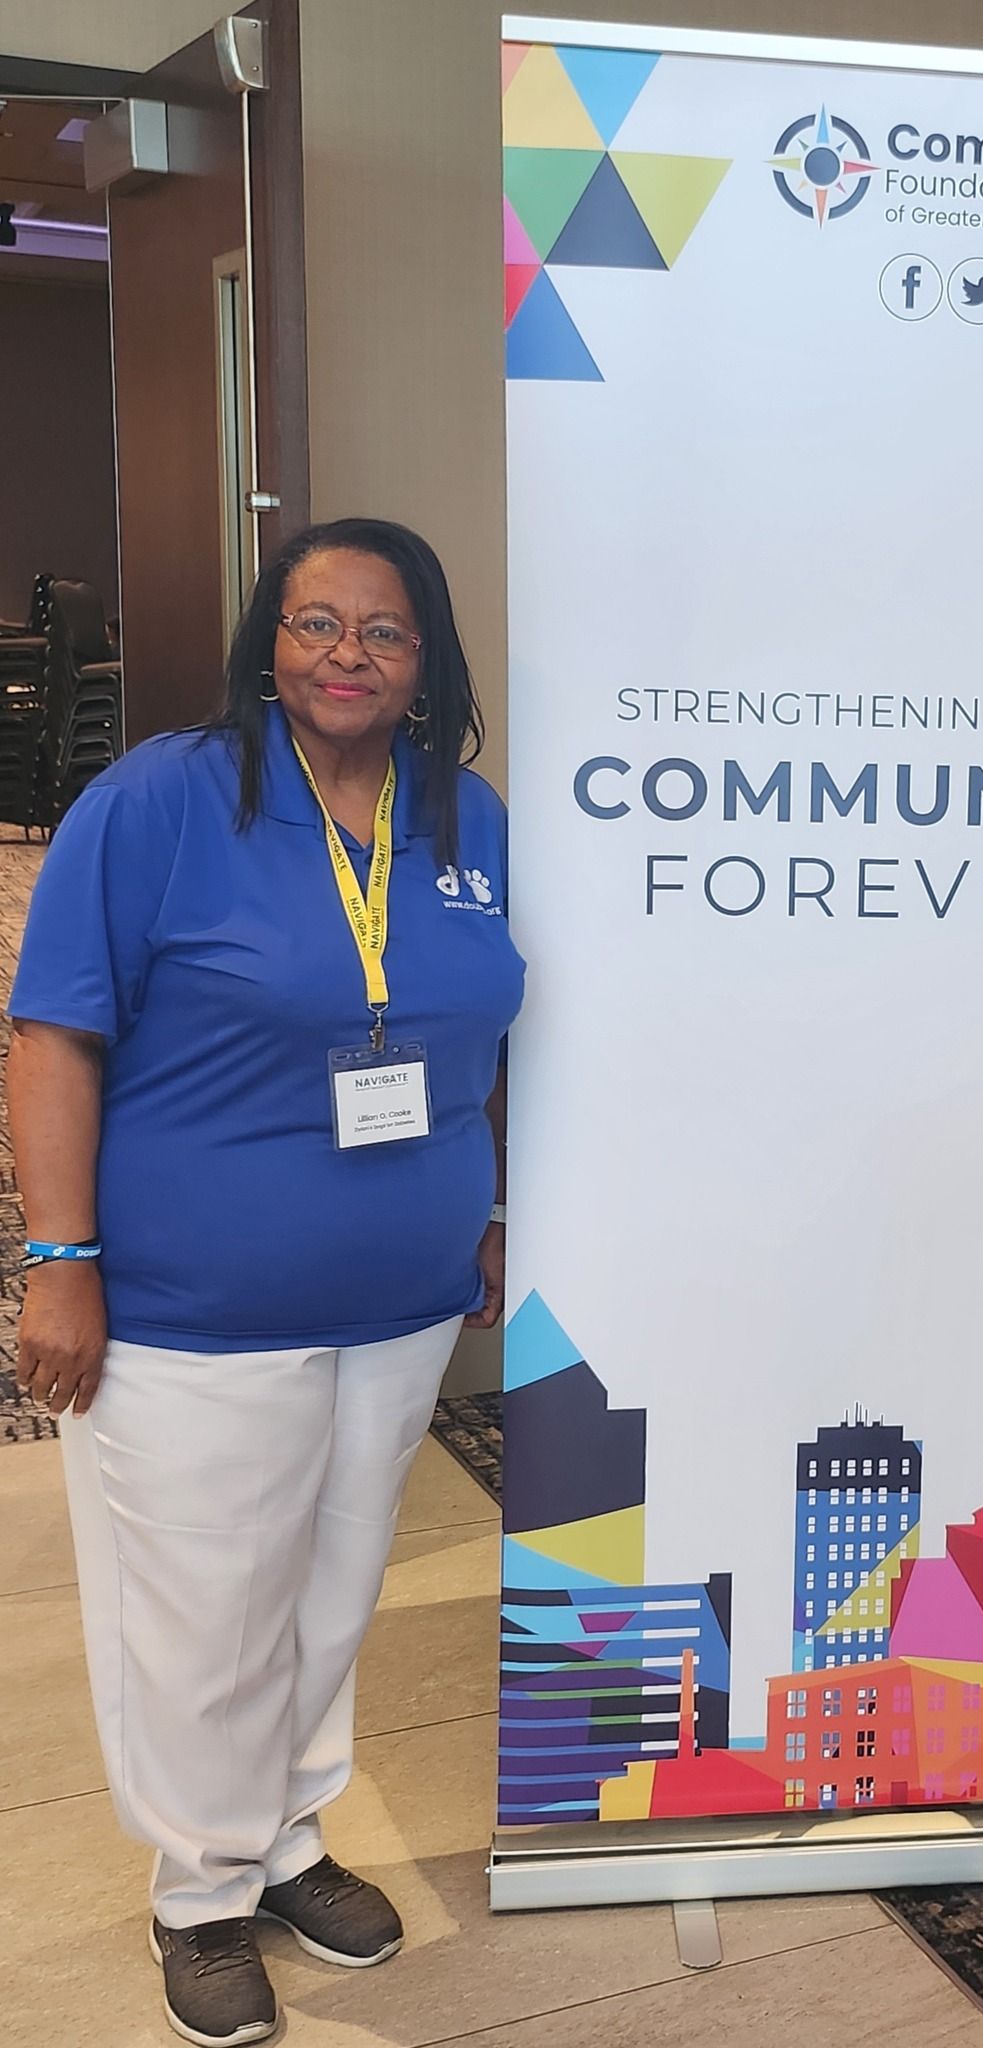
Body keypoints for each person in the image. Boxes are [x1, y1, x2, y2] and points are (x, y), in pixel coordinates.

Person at [8, 519, 525, 2047]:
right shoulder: (165, 797)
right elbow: (53, 1034)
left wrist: (487, 1204)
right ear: (267, 643)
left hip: (401, 1291)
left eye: (382, 631)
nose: (346, 655)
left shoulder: (466, 815)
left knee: (329, 1587)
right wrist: (60, 1262)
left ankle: (291, 1838)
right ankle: (199, 1888)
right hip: (189, 1300)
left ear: (429, 660)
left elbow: (481, 1029)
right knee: (203, 1607)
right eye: (315, 625)